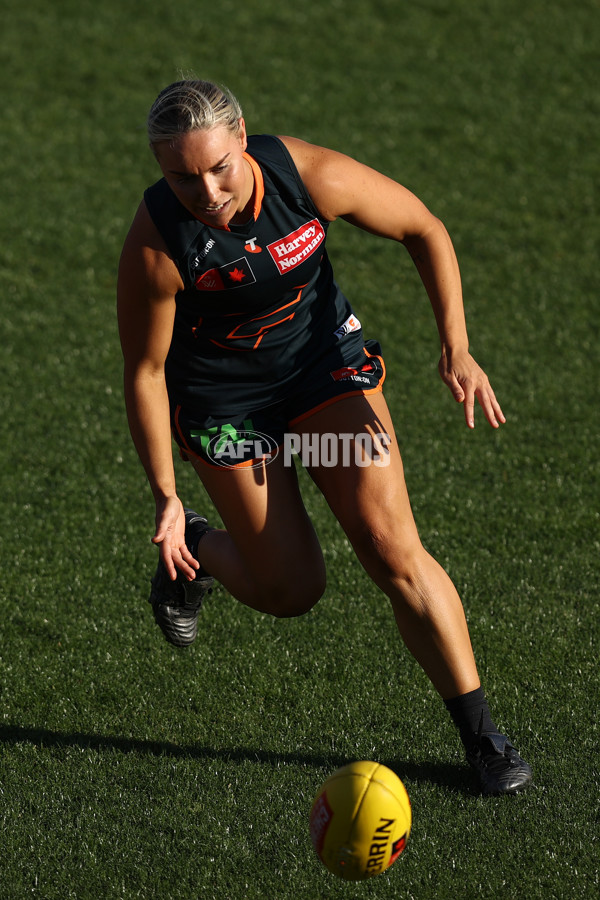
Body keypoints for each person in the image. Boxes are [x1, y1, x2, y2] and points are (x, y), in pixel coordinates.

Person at [117, 79, 532, 796]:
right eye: (181, 176)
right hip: (228, 410)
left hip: (324, 376)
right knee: (291, 589)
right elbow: (147, 373)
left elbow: (423, 227)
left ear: (241, 136)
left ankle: (483, 737)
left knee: (391, 545)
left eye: (217, 166)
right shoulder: (160, 242)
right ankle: (201, 551)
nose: (205, 190)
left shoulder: (310, 178)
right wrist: (163, 493)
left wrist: (455, 347)